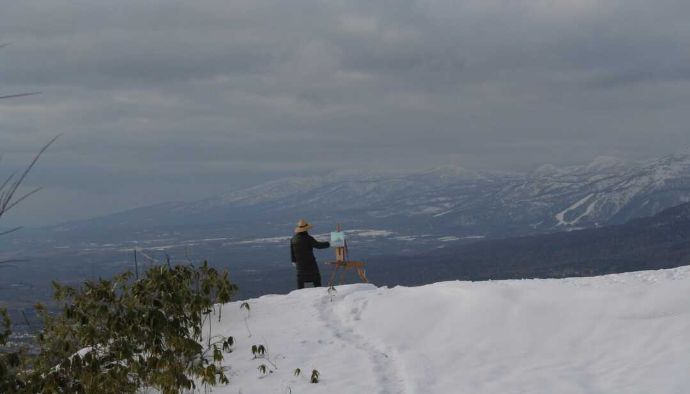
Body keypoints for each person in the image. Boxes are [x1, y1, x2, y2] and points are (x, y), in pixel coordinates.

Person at [290, 219, 330, 289]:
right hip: (310, 264)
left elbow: (292, 252)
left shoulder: (293, 239)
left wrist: (293, 261)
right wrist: (329, 243)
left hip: (300, 265)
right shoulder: (308, 238)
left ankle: (299, 296)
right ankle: (318, 293)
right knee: (316, 279)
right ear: (306, 229)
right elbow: (318, 245)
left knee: (300, 281)